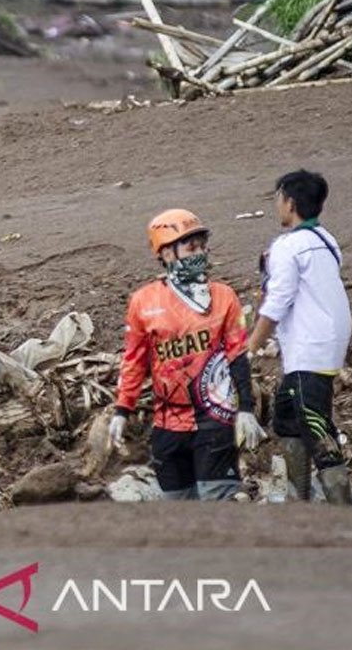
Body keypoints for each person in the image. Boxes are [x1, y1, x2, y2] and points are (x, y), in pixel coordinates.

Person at [109, 209, 265, 500]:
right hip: (167, 426)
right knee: (180, 515)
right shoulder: (143, 302)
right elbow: (134, 360)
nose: (200, 254)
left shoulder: (223, 296)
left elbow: (237, 356)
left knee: (218, 506)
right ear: (167, 254)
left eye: (203, 246)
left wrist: (245, 409)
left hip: (215, 421)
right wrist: (122, 410)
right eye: (191, 248)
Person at [247, 170, 352, 504]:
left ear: (289, 203)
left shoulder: (288, 246)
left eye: (277, 199)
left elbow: (278, 301)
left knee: (317, 429)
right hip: (324, 348)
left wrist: (250, 346)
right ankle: (299, 501)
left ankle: (344, 512)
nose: (277, 206)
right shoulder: (326, 239)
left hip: (310, 350)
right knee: (287, 418)